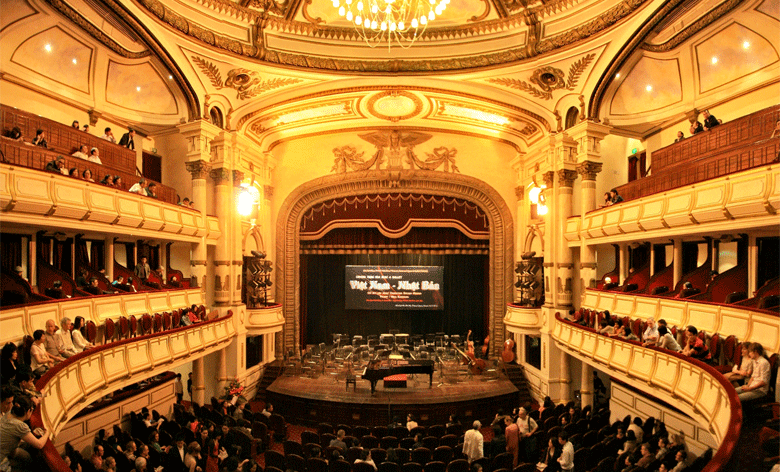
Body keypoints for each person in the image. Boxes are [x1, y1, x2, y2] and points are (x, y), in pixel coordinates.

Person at [0, 395, 51, 469]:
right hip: (3, 458)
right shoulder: (20, 426)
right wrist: (47, 433)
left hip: (8, 450)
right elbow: (39, 445)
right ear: (28, 411)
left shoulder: (9, 414)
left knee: (26, 455)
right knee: (28, 460)